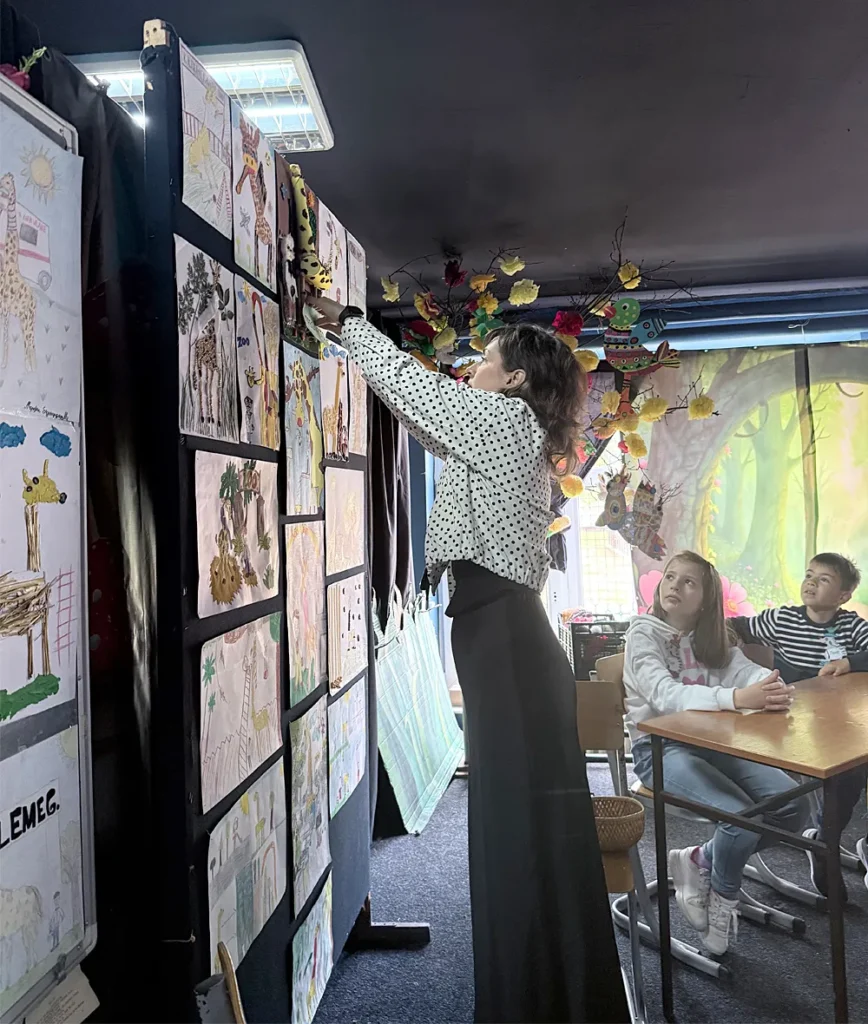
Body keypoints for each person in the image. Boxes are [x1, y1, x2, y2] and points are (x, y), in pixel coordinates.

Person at [308, 296, 627, 1024]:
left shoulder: (504, 422)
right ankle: (550, 999)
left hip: (506, 645)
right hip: (507, 641)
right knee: (525, 835)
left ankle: (532, 1004)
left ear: (514, 380)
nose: (472, 369)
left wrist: (352, 324)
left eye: (485, 360)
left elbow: (417, 392)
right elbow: (420, 416)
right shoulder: (507, 431)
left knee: (515, 837)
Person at [624, 550, 810, 956]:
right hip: (659, 749)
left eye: (688, 581)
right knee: (741, 820)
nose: (674, 585)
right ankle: (723, 899)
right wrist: (737, 698)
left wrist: (769, 684)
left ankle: (700, 859)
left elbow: (744, 671)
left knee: (794, 806)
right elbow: (666, 696)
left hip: (715, 742)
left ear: (706, 599)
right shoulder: (643, 635)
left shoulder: (712, 637)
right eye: (670, 577)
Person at [730, 553, 868, 896]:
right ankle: (825, 844)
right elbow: (736, 627)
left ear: (843, 596)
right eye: (809, 575)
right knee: (844, 775)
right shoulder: (782, 620)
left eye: (824, 579)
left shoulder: (851, 625)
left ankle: (833, 839)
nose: (811, 583)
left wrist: (849, 662)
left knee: (854, 769)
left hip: (840, 723)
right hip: (795, 724)